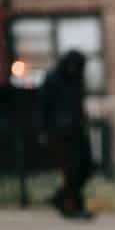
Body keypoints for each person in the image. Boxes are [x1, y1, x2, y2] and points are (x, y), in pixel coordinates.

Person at [39, 49, 94, 220]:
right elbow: (43, 106)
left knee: (86, 168)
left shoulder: (76, 79)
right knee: (72, 170)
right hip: (60, 133)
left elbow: (77, 102)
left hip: (76, 130)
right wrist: (44, 131)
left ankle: (61, 198)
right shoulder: (53, 79)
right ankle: (73, 206)